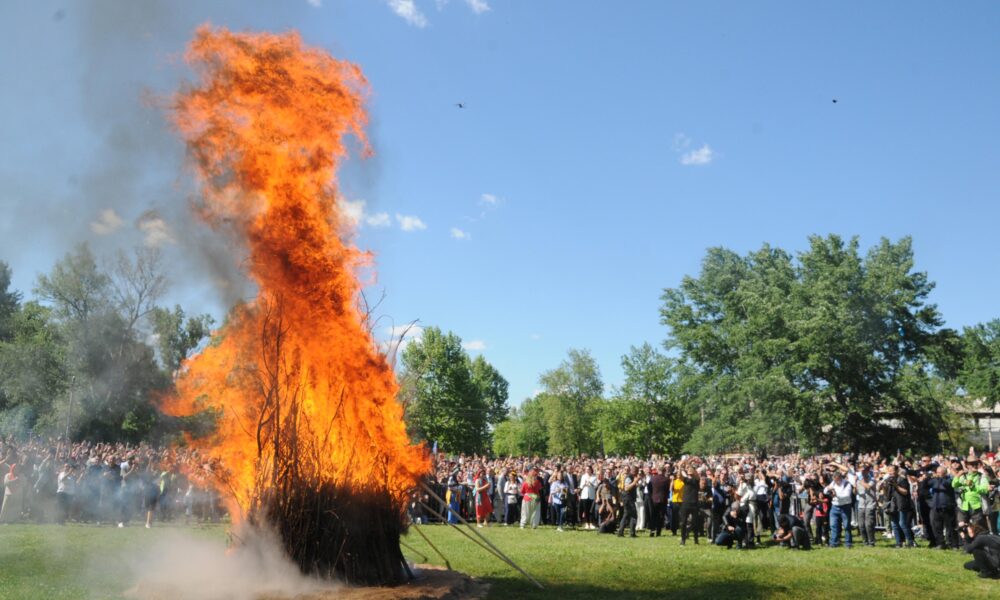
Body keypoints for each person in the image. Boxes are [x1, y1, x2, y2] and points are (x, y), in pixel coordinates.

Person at [884, 465, 915, 548]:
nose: (890, 472)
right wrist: (883, 486)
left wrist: (896, 485)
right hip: (892, 505)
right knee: (894, 524)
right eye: (889, 471)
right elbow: (886, 493)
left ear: (897, 471)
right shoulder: (888, 480)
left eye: (892, 470)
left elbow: (905, 492)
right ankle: (899, 542)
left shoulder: (902, 479)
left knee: (902, 524)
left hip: (902, 504)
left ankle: (910, 542)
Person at [929, 465, 959, 550]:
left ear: (944, 473)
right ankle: (940, 543)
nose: (937, 474)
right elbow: (927, 484)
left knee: (951, 527)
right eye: (937, 472)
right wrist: (927, 478)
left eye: (939, 473)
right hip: (936, 506)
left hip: (947, 506)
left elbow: (947, 484)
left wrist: (940, 478)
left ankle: (954, 544)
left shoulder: (950, 479)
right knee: (937, 527)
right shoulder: (934, 480)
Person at [824, 469, 854, 548]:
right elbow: (825, 491)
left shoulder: (847, 484)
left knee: (846, 526)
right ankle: (834, 543)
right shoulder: (833, 483)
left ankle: (848, 543)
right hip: (834, 507)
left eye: (837, 480)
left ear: (840, 478)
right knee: (833, 525)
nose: (836, 481)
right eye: (834, 479)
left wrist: (836, 495)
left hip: (845, 507)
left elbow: (846, 495)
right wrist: (828, 489)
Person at [855, 464, 879, 547]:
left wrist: (861, 480)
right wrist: (855, 483)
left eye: (864, 471)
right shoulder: (858, 480)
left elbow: (868, 486)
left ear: (868, 471)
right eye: (861, 471)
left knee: (868, 525)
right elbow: (855, 492)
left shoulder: (872, 479)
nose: (862, 472)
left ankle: (871, 541)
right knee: (861, 525)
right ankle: (865, 541)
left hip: (870, 504)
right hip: (861, 504)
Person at [616, 466, 638, 538]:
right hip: (628, 498)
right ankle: (631, 533)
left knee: (626, 515)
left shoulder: (631, 477)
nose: (638, 473)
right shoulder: (629, 477)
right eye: (637, 471)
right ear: (634, 471)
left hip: (628, 498)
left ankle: (621, 532)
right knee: (633, 515)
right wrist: (635, 482)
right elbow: (627, 488)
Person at [578, 465, 598, 530]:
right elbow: (581, 486)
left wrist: (590, 483)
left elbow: (596, 486)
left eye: (588, 469)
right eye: (586, 469)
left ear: (591, 470)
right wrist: (584, 484)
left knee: (591, 510)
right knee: (586, 510)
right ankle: (587, 523)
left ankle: (591, 523)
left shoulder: (594, 477)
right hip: (584, 495)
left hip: (591, 495)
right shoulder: (583, 476)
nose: (587, 470)